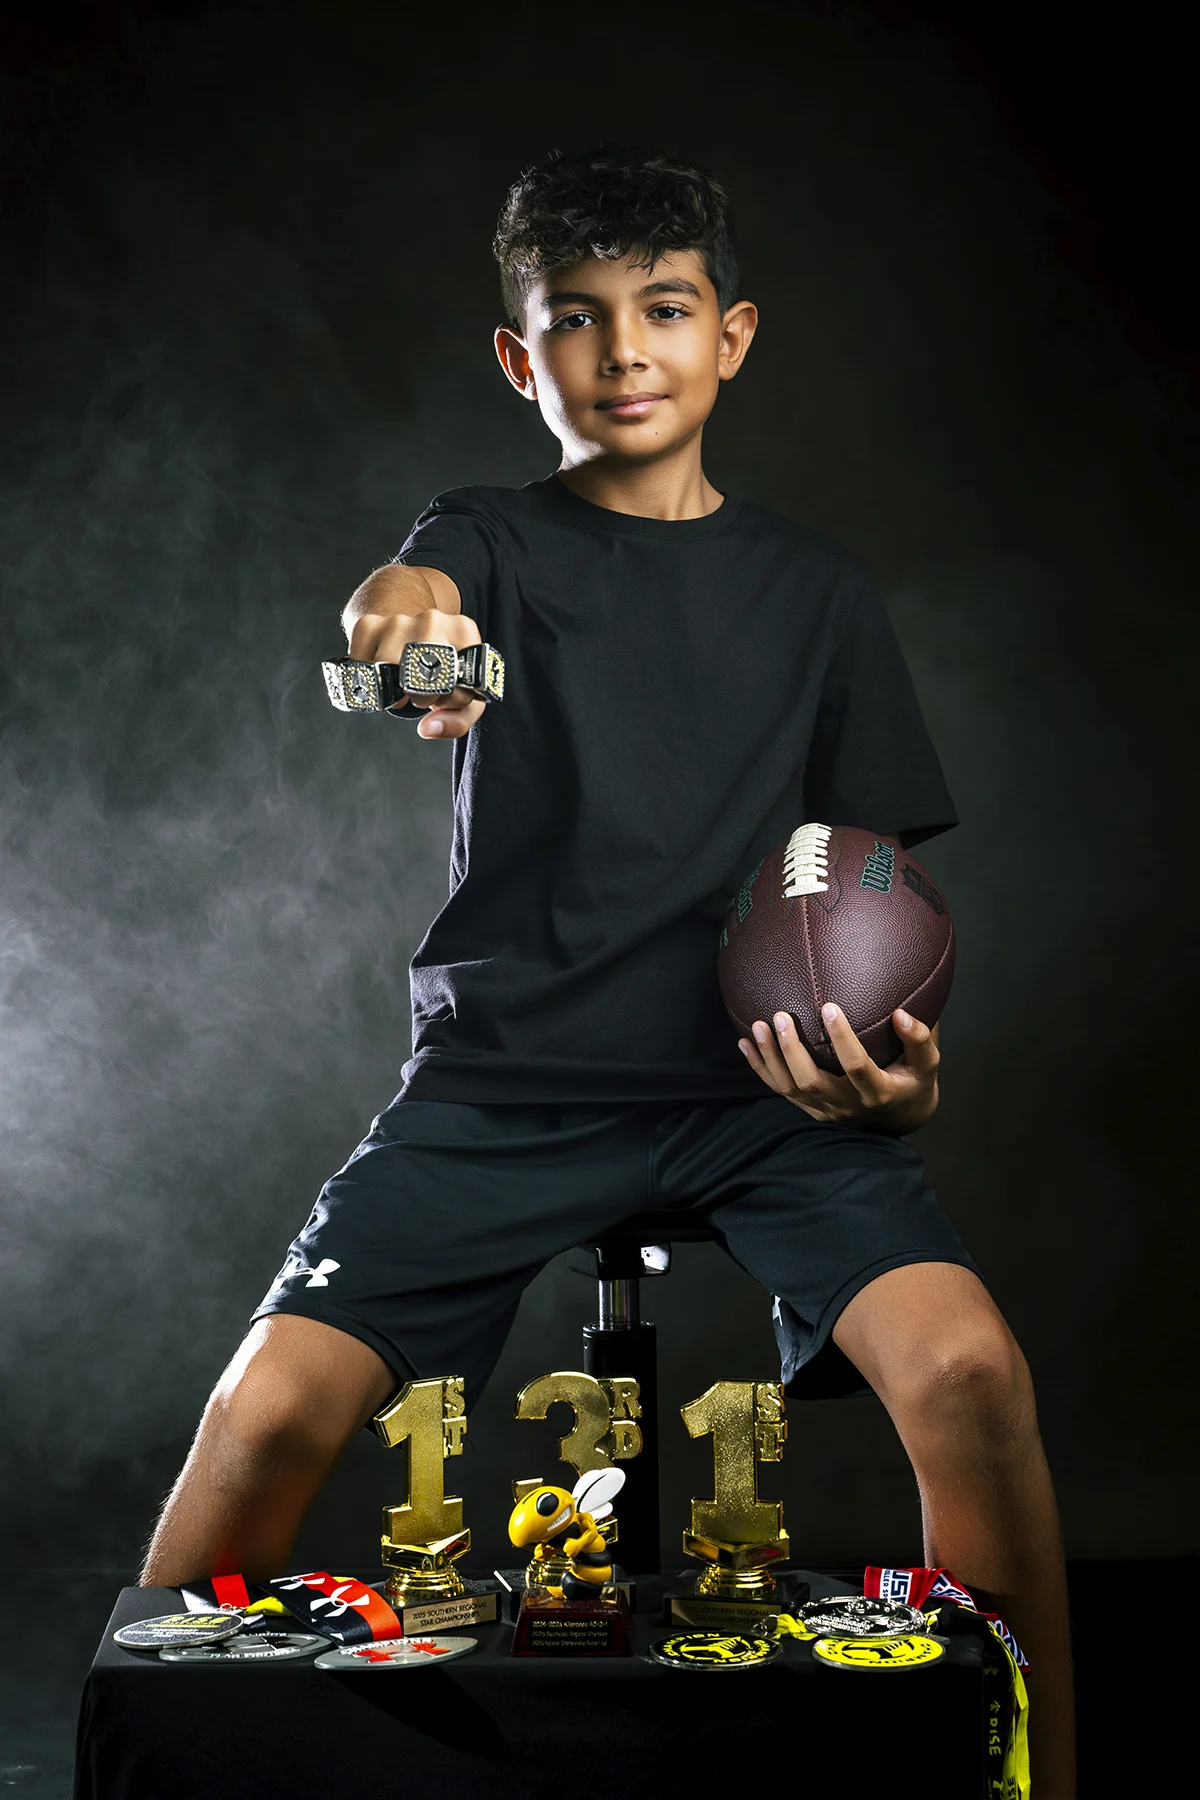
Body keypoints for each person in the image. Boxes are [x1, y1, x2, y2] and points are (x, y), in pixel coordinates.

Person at [141, 146, 1073, 1794]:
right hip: (506, 1087)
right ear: (523, 359)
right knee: (264, 1413)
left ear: (734, 337)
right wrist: (408, 640)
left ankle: (1035, 1769)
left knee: (974, 1371)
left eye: (662, 310)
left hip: (764, 1095)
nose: (623, 351)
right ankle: (134, 1764)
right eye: (574, 321)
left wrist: (906, 1058)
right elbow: (396, 597)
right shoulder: (486, 543)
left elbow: (868, 895)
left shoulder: (817, 593)